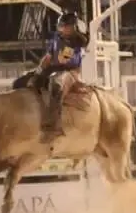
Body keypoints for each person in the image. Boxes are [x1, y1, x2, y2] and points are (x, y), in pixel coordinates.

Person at [12, 11, 89, 143]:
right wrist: (38, 72)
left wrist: (50, 64)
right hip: (54, 68)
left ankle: (54, 124)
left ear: (74, 28)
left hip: (70, 71)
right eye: (62, 26)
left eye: (67, 26)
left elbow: (63, 60)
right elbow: (48, 57)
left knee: (56, 84)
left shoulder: (76, 41)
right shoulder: (56, 39)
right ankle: (21, 117)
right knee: (21, 82)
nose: (63, 29)